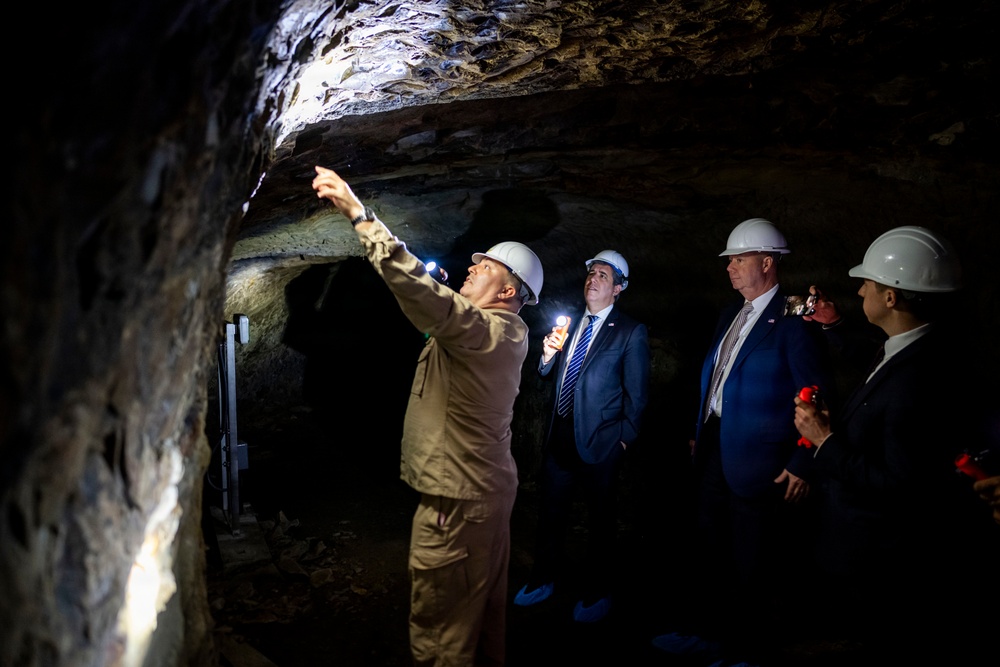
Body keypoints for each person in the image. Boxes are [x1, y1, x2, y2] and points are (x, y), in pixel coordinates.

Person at [312, 165, 544, 667]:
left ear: (508, 293)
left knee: (441, 628)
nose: (472, 270)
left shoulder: (486, 331)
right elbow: (439, 319)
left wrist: (359, 214)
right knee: (481, 617)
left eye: (486, 269)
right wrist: (440, 300)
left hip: (456, 503)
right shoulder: (498, 332)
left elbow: (419, 292)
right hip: (480, 494)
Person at [793, 225, 998, 659]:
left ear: (890, 297)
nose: (860, 290)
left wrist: (824, 439)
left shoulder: (917, 382)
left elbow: (899, 484)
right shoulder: (920, 345)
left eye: (867, 283)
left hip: (881, 558)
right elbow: (878, 358)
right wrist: (833, 324)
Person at [654, 218, 833, 660]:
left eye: (738, 259)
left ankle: (747, 650)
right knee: (709, 543)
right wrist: (702, 430)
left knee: (752, 557)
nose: (729, 267)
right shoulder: (730, 314)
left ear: (767, 263)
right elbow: (719, 378)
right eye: (729, 260)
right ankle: (707, 632)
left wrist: (803, 461)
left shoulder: (793, 321)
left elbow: (816, 394)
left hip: (762, 459)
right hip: (717, 445)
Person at [513, 250, 650, 623]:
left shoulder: (630, 331)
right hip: (560, 436)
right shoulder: (570, 321)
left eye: (603, 275)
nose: (593, 279)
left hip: (601, 442)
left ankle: (597, 592)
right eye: (591, 273)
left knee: (600, 520)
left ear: (618, 288)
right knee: (551, 513)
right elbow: (546, 373)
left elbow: (637, 396)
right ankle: (543, 579)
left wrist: (623, 440)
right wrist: (546, 356)